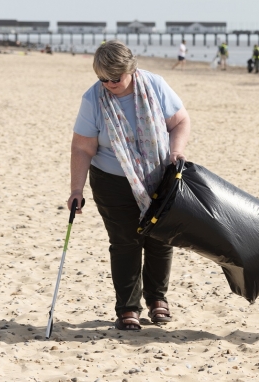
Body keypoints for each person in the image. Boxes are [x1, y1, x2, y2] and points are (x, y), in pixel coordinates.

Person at [69, 40, 191, 331]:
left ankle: (157, 299)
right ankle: (127, 308)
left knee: (159, 239)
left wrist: (175, 152)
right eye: (103, 79)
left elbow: (180, 122)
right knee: (125, 243)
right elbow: (82, 148)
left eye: (115, 78)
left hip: (159, 176)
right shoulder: (93, 100)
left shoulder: (155, 86)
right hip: (112, 181)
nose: (109, 84)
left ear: (131, 70)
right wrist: (76, 190)